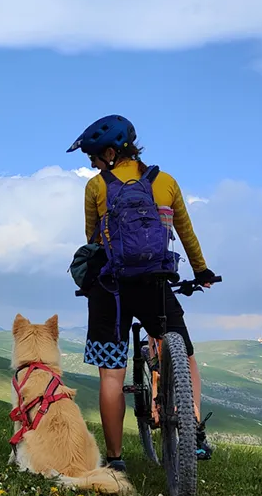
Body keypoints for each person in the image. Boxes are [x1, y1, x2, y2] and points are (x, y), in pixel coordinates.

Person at [67, 114, 217, 472]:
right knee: (185, 354)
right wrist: (201, 271)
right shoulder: (165, 182)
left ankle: (116, 460)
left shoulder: (95, 188)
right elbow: (185, 232)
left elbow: (93, 242)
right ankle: (193, 432)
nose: (90, 163)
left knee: (112, 375)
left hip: (111, 290)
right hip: (155, 284)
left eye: (92, 156)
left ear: (109, 152)